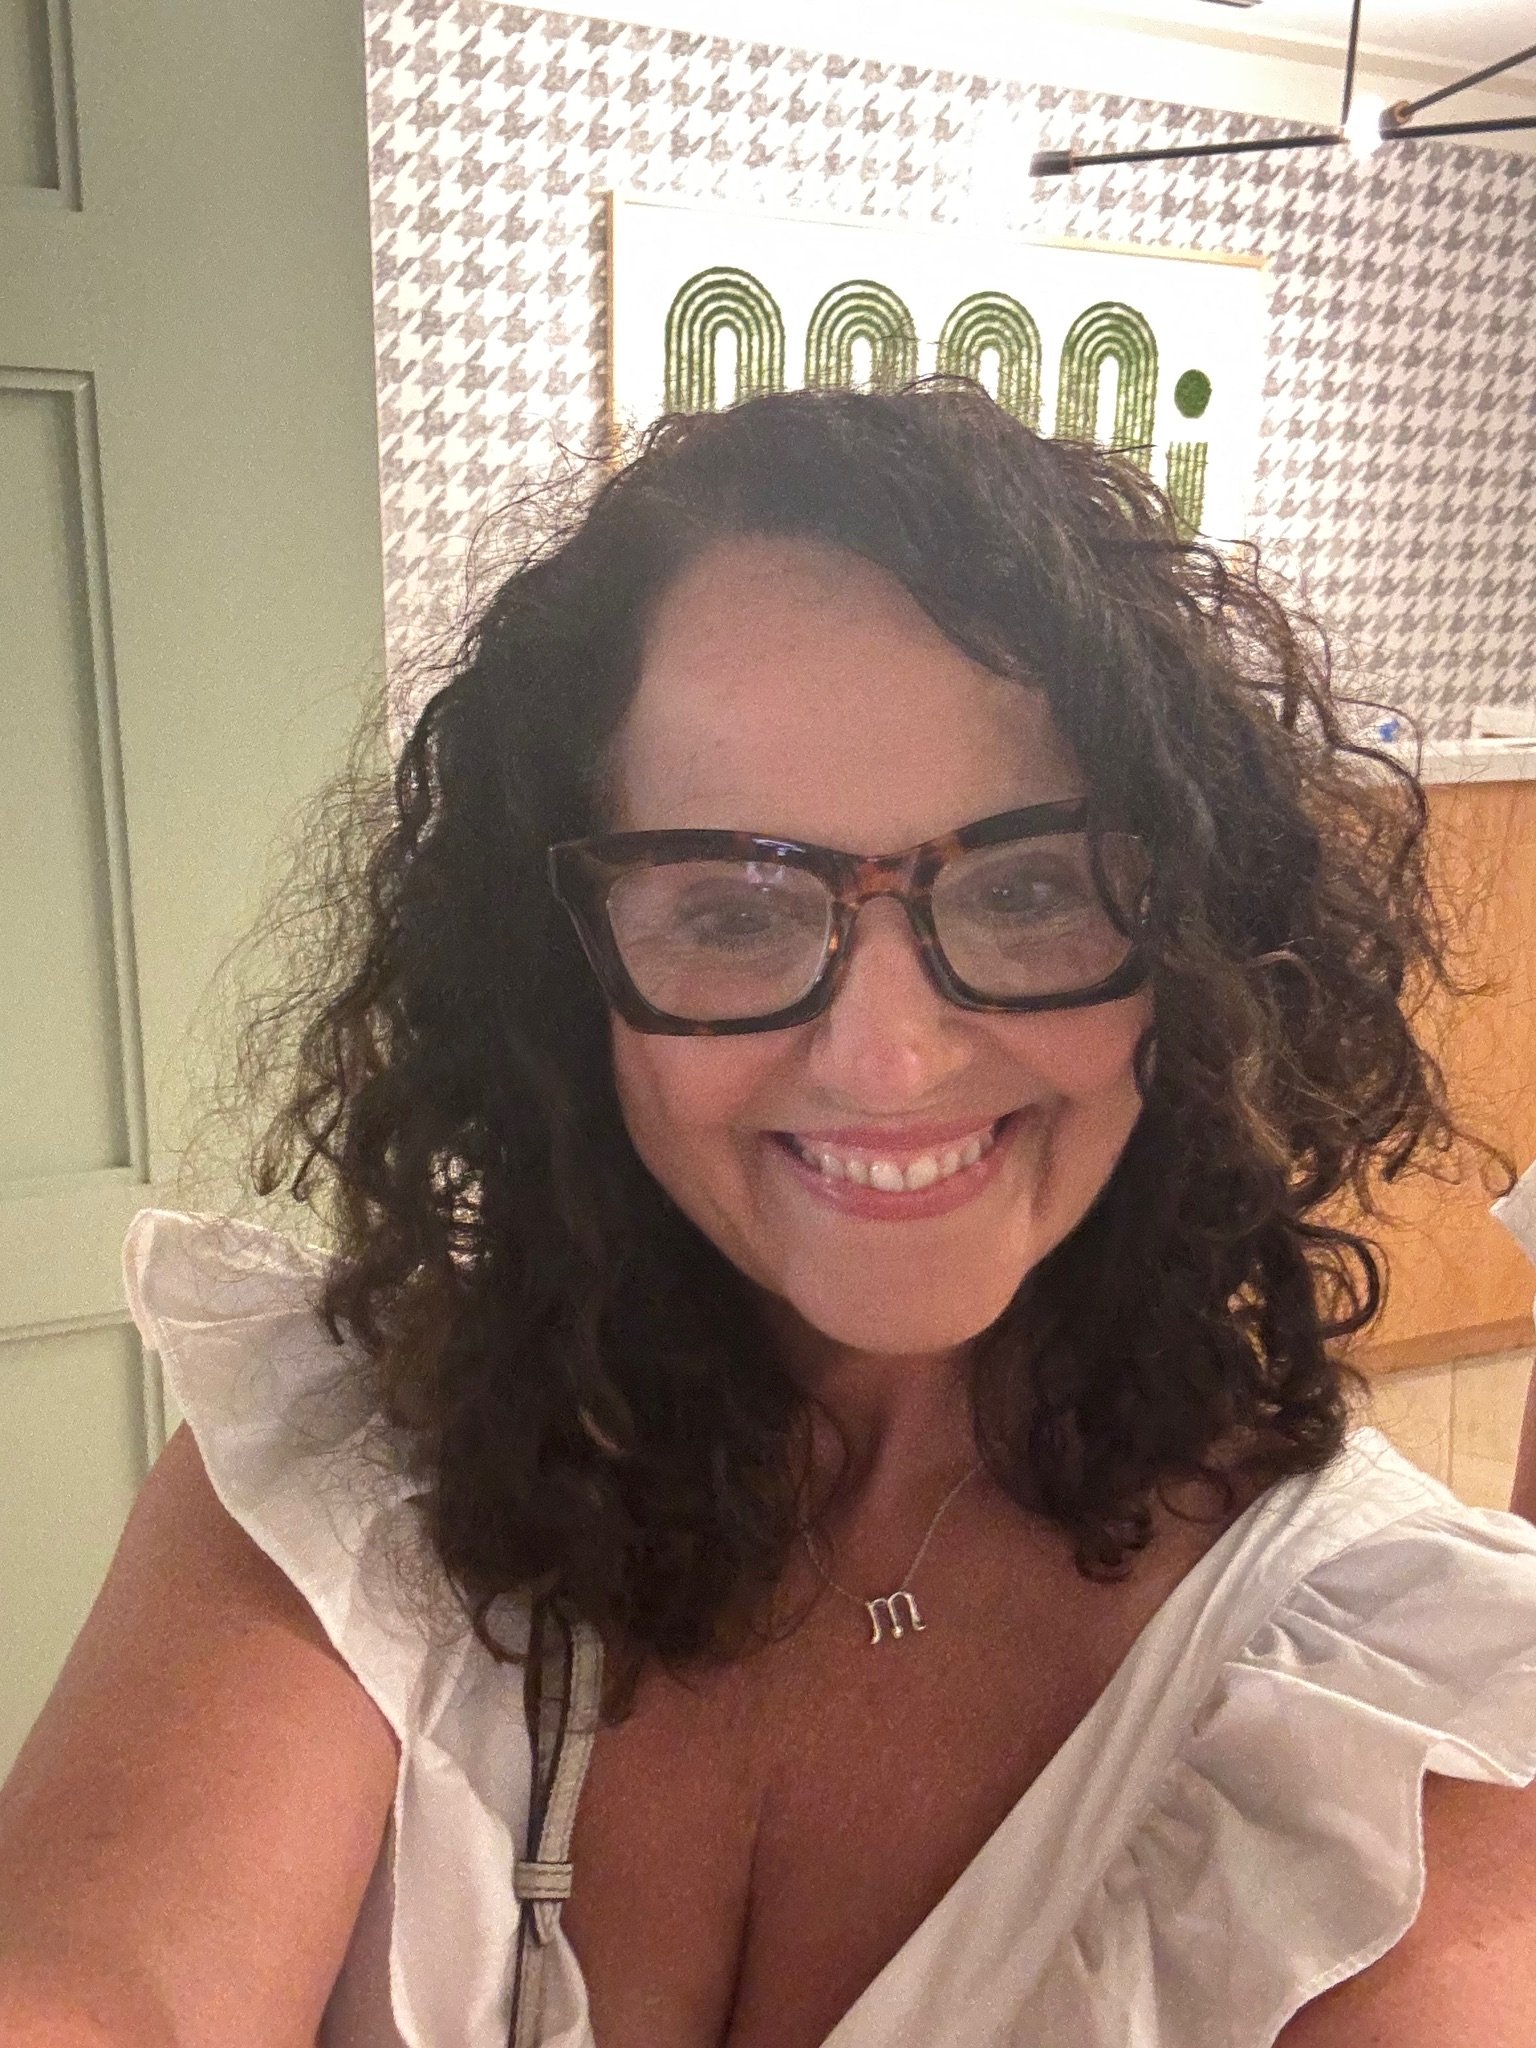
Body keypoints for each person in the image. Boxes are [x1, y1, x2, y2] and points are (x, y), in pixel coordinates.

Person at [3, 381, 1535, 2048]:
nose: (888, 1059)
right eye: (736, 910)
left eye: (1028, 888)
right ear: (564, 979)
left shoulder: (1388, 1711)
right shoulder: (351, 1466)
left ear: (1195, 941)